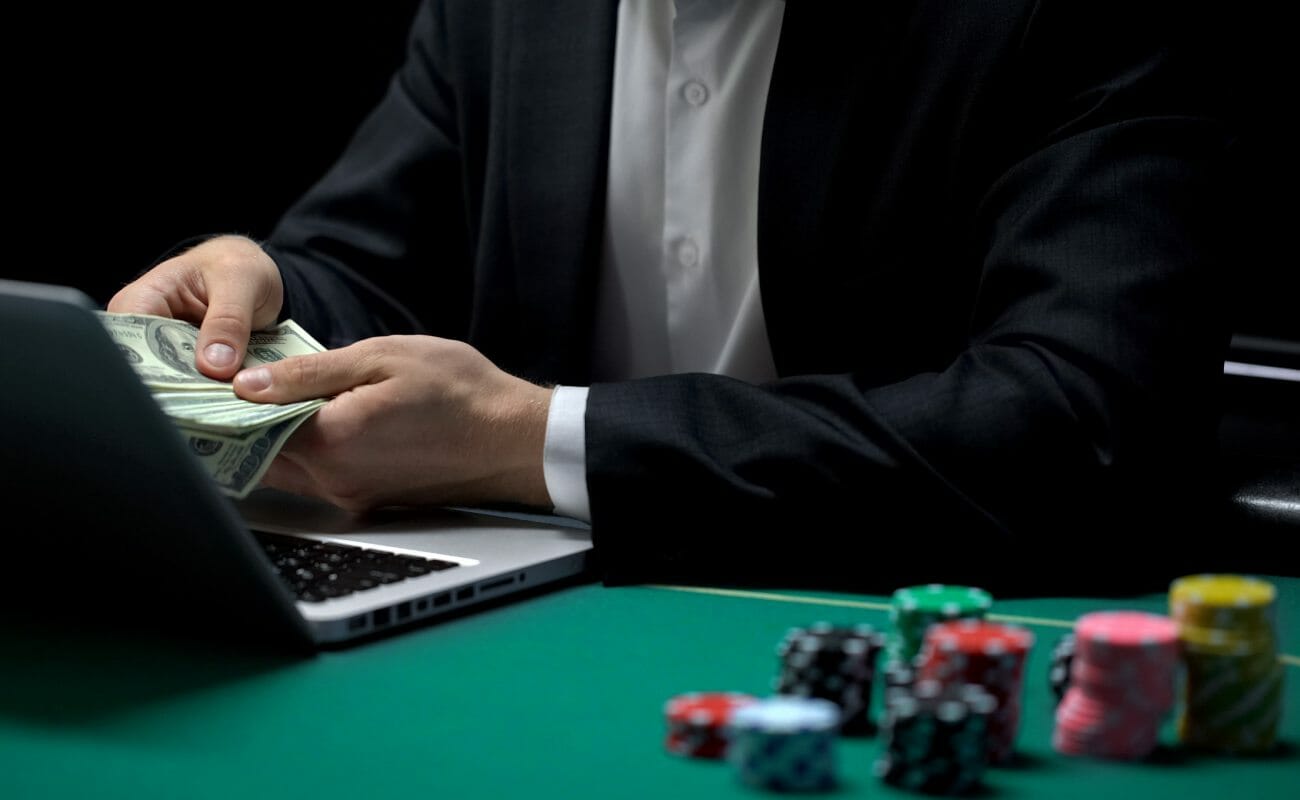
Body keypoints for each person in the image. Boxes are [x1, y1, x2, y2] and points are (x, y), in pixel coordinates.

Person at [108, 1, 1234, 592]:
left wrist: (529, 437)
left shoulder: (1074, 17)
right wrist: (256, 298)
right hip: (518, 642)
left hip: (877, 611)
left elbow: (1084, 425)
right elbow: (365, 265)